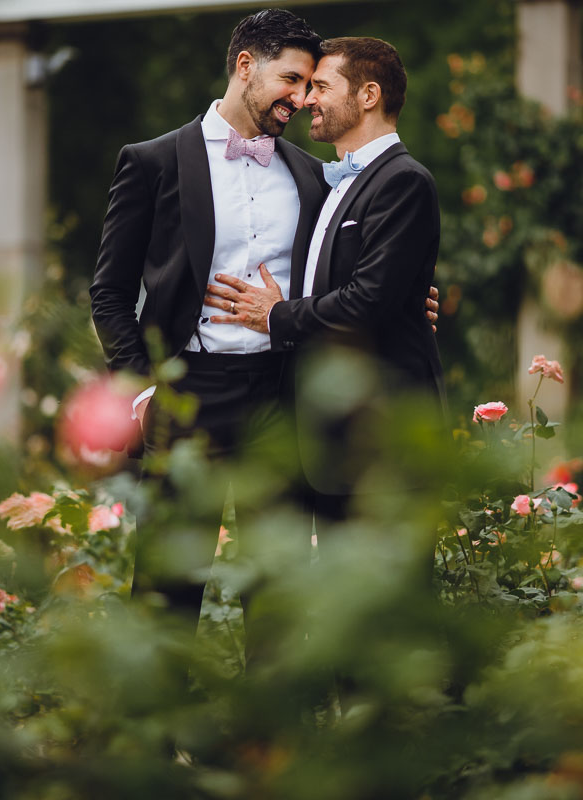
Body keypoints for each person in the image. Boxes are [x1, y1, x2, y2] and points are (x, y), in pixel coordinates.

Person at [88, 9, 326, 652]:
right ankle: (153, 746)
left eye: (308, 88)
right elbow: (108, 294)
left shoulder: (310, 174)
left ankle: (270, 747)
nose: (301, 101)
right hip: (187, 397)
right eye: (292, 80)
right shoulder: (152, 162)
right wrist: (140, 392)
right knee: (169, 586)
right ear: (245, 65)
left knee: (277, 591)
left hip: (279, 395)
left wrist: (408, 299)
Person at [203, 36, 446, 524]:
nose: (305, 99)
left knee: (388, 594)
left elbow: (367, 301)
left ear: (368, 95)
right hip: (333, 440)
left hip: (382, 435)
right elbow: (354, 283)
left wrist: (275, 315)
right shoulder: (331, 181)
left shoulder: (402, 180)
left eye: (320, 87)